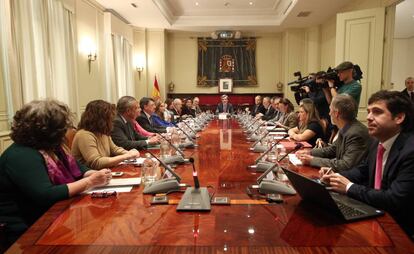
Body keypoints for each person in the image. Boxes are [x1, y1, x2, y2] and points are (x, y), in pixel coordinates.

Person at [0, 99, 111, 245]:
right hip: (25, 230)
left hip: (53, 215)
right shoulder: (21, 155)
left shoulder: (51, 147)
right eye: (62, 127)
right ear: (48, 130)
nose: (66, 131)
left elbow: (78, 168)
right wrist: (90, 181)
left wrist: (94, 174)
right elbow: (46, 194)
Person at [321, 90, 414, 239]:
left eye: (377, 112)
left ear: (399, 117)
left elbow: (394, 200)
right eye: (369, 111)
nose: (369, 117)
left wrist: (349, 187)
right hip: (376, 213)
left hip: (400, 230)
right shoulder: (377, 141)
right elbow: (363, 170)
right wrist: (336, 176)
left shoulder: (410, 151)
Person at [296, 94, 370, 172]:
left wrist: (312, 160)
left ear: (336, 113)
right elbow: (332, 150)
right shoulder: (346, 127)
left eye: (330, 110)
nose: (329, 113)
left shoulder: (355, 133)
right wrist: (310, 152)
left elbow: (346, 165)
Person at [72, 100, 140, 169]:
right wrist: (126, 156)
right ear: (100, 119)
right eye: (109, 117)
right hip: (89, 176)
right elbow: (96, 162)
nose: (112, 120)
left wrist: (129, 153)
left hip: (103, 173)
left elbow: (114, 149)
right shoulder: (84, 135)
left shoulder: (102, 131)